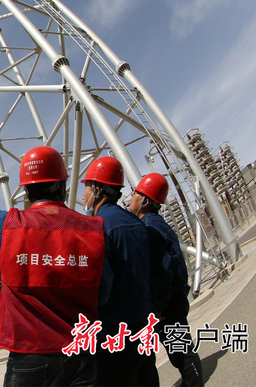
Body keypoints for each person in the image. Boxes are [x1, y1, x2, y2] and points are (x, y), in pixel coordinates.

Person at [0, 146, 106, 386]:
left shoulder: (9, 228)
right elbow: (105, 289)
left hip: (30, 357)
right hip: (82, 354)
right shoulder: (93, 228)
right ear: (62, 186)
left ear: (26, 190)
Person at [82, 156, 167, 386]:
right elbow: (157, 269)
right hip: (143, 323)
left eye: (86, 187)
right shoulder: (136, 221)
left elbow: (96, 286)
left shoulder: (96, 228)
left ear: (97, 190)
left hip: (114, 332)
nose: (83, 195)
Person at [131, 173, 204, 387]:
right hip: (175, 297)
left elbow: (161, 271)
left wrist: (159, 306)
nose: (131, 197)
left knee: (182, 353)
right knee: (180, 350)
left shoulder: (149, 228)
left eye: (135, 193)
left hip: (168, 303)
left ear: (145, 200)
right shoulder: (157, 222)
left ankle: (194, 383)